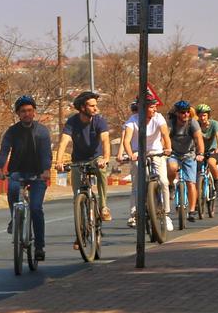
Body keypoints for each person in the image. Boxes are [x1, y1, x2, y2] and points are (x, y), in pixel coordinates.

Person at [0, 95, 52, 260]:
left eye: (29, 110)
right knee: (12, 189)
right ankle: (14, 218)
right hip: (17, 172)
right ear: (18, 114)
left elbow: (46, 154)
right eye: (22, 111)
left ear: (34, 112)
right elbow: (5, 150)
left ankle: (39, 247)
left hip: (37, 174)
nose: (26, 114)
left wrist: (46, 170)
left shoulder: (41, 131)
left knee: (35, 208)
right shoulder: (12, 132)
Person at [55, 91, 112, 236]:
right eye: (92, 106)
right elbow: (64, 142)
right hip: (78, 160)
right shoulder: (72, 122)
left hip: (95, 158)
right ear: (82, 108)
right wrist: (59, 161)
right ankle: (80, 233)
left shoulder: (99, 120)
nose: (95, 108)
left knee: (101, 171)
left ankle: (103, 206)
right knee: (77, 196)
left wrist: (105, 158)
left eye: (96, 105)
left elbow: (105, 140)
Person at [119, 96, 172, 231]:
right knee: (137, 184)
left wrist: (168, 148)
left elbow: (165, 135)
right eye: (151, 106)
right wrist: (131, 154)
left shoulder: (158, 117)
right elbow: (127, 140)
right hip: (138, 153)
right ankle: (134, 214)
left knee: (164, 182)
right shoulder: (133, 120)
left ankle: (166, 214)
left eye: (155, 106)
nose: (155, 109)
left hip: (157, 153)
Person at [166, 100, 205, 221]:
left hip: (189, 154)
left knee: (191, 183)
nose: (186, 115)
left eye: (188, 112)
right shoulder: (171, 123)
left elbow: (199, 139)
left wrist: (200, 153)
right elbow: (165, 137)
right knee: (172, 168)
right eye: (183, 112)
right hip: (174, 154)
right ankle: (171, 185)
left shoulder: (192, 123)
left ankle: (192, 210)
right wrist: (165, 149)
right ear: (177, 113)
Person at [196, 104, 218, 198]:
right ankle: (198, 199)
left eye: (204, 115)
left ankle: (216, 181)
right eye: (200, 115)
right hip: (200, 151)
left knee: (211, 163)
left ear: (208, 115)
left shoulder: (214, 123)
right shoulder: (196, 124)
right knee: (197, 173)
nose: (202, 117)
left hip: (213, 150)